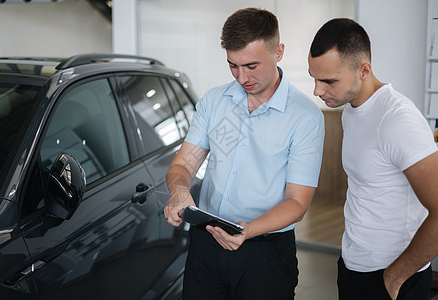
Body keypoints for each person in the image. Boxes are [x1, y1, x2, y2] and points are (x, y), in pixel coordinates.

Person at [164, 7, 324, 300]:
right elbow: (184, 165)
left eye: (251, 66)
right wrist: (178, 191)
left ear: (279, 52)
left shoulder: (304, 117)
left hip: (265, 254)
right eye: (232, 66)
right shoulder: (215, 101)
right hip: (206, 245)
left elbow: (297, 202)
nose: (242, 77)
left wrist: (245, 230)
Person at [308, 18, 438, 300]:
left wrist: (393, 279)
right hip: (353, 268)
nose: (317, 91)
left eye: (328, 81)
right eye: (314, 78)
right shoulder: (351, 111)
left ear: (363, 70)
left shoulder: (398, 119)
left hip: (392, 278)